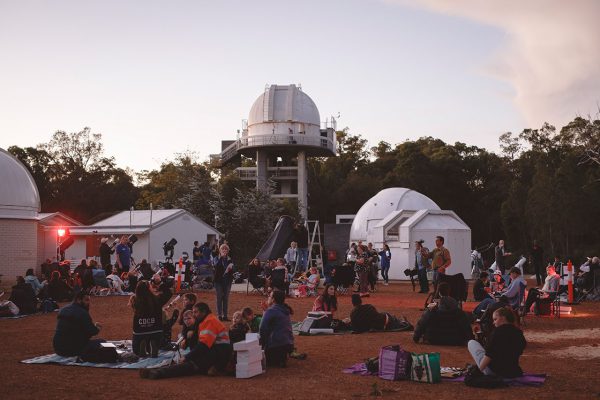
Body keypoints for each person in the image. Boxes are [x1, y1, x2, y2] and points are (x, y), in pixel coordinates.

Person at [140, 302, 232, 379]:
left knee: (191, 364)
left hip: (218, 352)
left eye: (196, 312)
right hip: (217, 351)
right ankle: (158, 372)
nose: (194, 315)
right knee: (192, 363)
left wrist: (187, 356)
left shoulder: (210, 321)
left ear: (203, 312)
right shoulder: (206, 320)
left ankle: (159, 373)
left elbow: (203, 345)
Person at [467, 307, 526, 378]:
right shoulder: (519, 332)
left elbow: (489, 355)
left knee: (471, 343)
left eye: (495, 319)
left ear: (503, 318)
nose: (493, 322)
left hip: (493, 371)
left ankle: (480, 369)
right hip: (512, 371)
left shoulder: (497, 332)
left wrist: (478, 371)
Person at [53, 291, 103, 357]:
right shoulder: (82, 313)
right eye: (86, 300)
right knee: (102, 342)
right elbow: (92, 331)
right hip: (72, 350)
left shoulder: (62, 310)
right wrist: (97, 328)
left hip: (58, 350)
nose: (88, 303)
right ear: (79, 300)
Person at [259, 290, 294, 367]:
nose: (268, 297)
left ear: (273, 299)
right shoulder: (284, 309)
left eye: (270, 296)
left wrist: (261, 345)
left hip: (276, 345)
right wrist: (266, 311)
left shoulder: (271, 311)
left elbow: (262, 328)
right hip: (288, 344)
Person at [129, 280, 163, 357]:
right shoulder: (157, 298)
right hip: (156, 329)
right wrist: (159, 283)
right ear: (149, 288)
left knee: (136, 352)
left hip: (140, 330)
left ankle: (143, 343)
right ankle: (152, 343)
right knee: (156, 339)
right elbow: (168, 292)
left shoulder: (134, 299)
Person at [213, 243, 234, 321]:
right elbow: (216, 266)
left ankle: (225, 316)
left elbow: (232, 269)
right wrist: (221, 258)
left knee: (225, 298)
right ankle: (219, 315)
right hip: (218, 281)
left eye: (226, 249)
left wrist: (232, 269)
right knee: (219, 298)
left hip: (227, 281)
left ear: (228, 251)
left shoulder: (230, 259)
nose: (224, 250)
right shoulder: (216, 258)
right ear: (220, 250)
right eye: (223, 249)